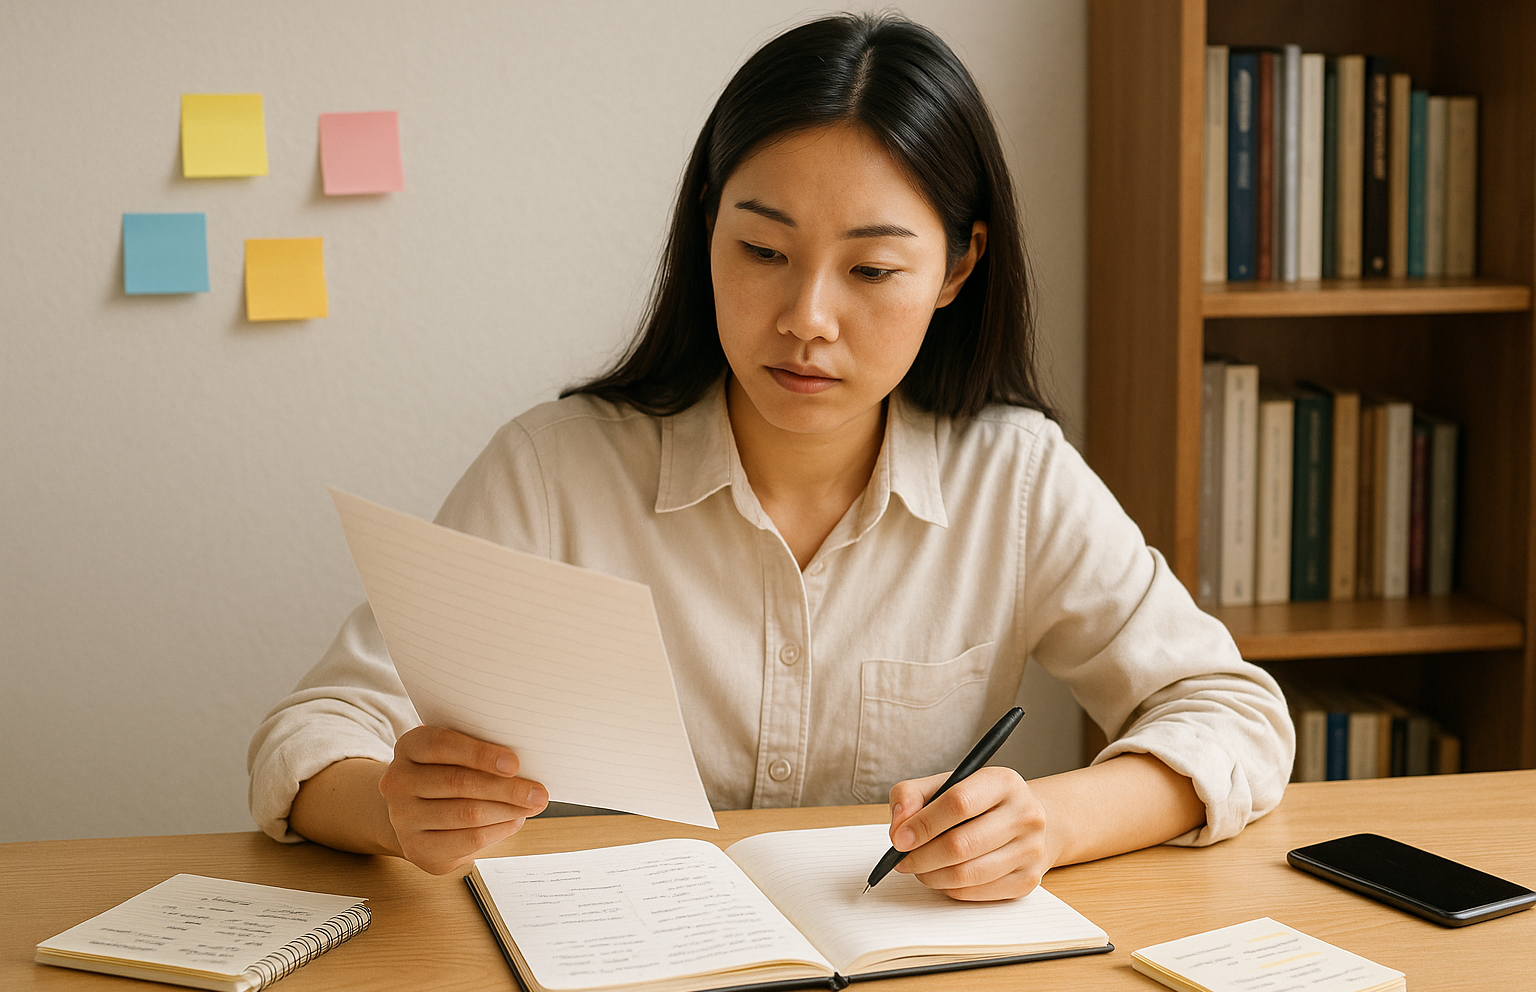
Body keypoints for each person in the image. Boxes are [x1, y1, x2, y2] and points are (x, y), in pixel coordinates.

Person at [248, 12, 1293, 900]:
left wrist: (1053, 822)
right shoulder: (555, 471)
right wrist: (392, 805)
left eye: (873, 268)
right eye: (762, 252)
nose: (806, 318)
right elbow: (314, 729)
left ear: (958, 266)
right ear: (706, 230)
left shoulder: (1014, 478)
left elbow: (1234, 713)